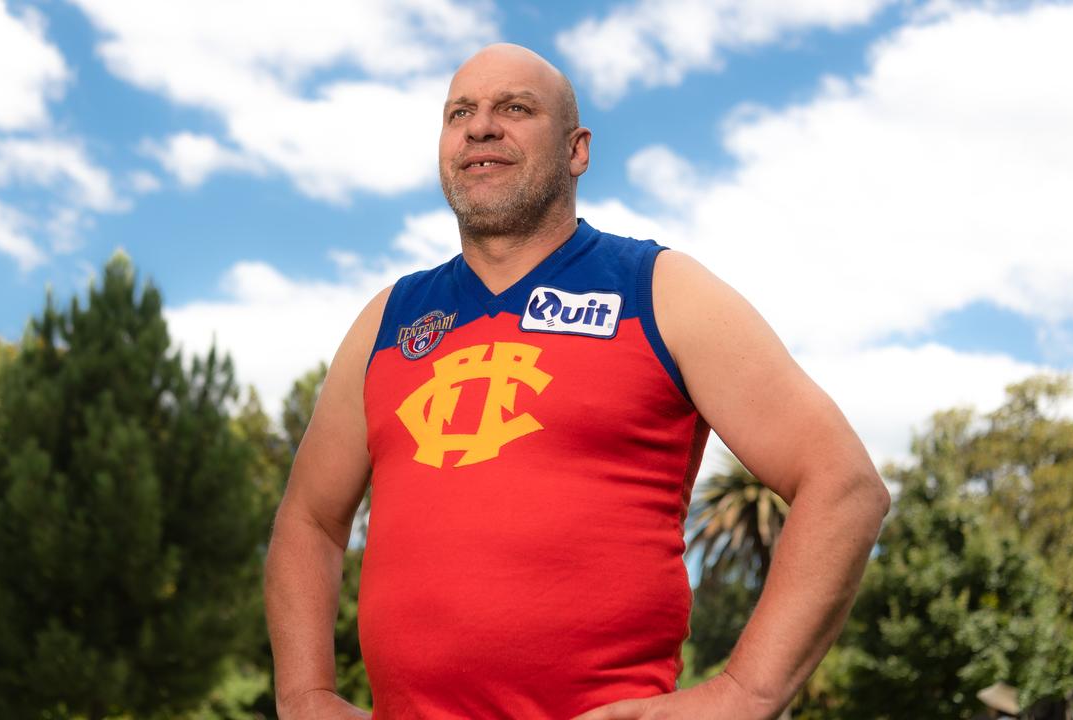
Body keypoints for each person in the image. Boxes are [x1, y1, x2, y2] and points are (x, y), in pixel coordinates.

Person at [264, 43, 891, 720]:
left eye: (515, 108)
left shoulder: (660, 289)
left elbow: (844, 484)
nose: (480, 127)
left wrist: (743, 694)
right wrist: (304, 696)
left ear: (577, 150)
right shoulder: (389, 319)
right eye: (460, 113)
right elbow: (310, 521)